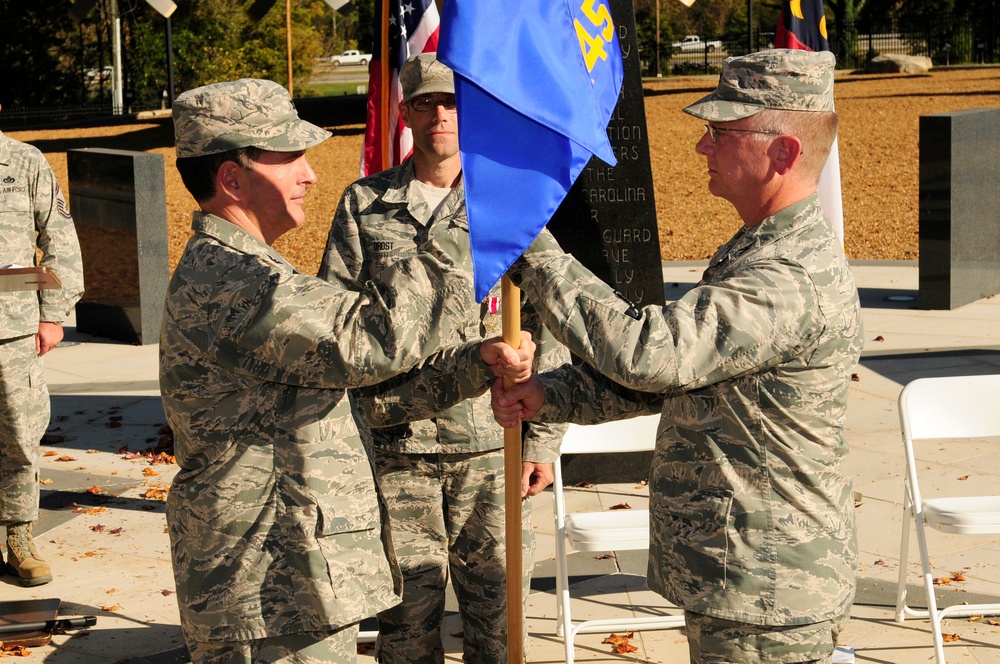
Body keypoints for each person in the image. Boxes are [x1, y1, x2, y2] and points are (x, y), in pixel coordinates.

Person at [492, 50, 864, 664]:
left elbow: (652, 355)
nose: (701, 146)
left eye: (721, 131)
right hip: (742, 571)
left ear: (783, 153)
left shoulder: (786, 275)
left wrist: (534, 252)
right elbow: (691, 381)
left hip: (767, 583)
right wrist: (553, 394)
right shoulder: (761, 249)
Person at [160, 78, 535, 664]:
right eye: (290, 159)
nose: (310, 175)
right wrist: (474, 222)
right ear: (232, 178)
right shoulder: (234, 280)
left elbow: (359, 393)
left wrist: (472, 366)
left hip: (293, 578)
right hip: (269, 583)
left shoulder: (254, 269)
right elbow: (368, 343)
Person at [318, 53, 569, 663]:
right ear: (405, 112)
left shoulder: (508, 206)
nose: (440, 115)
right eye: (426, 102)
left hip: (493, 447)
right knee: (405, 628)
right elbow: (336, 321)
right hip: (398, 447)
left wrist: (544, 440)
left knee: (502, 624)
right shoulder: (364, 205)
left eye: (453, 102)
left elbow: (554, 325)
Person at [1, 106, 85, 587]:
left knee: (18, 436)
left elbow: (59, 235)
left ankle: (18, 538)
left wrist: (53, 313)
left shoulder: (24, 162)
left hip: (11, 326)